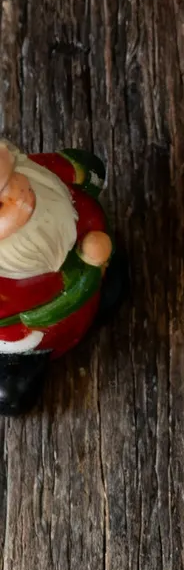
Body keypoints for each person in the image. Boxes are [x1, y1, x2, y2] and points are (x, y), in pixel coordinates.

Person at [0, 141, 122, 415]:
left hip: (96, 264)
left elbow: (84, 169)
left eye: (9, 180)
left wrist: (83, 170)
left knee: (112, 291)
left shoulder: (39, 175)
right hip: (40, 335)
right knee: (14, 387)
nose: (17, 199)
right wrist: (87, 269)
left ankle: (104, 292)